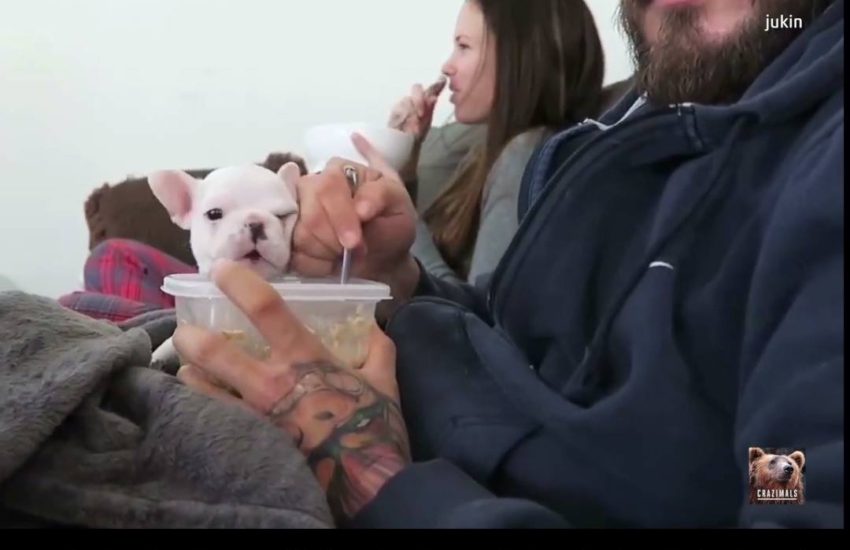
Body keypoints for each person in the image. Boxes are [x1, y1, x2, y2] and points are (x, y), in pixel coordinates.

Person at [173, 0, 843, 529]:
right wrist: (395, 273)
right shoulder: (634, 126)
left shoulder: (817, 162)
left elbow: (791, 493)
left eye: (465, 47)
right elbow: (517, 333)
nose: (447, 67)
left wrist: (374, 478)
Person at [392, 0, 605, 284]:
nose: (447, 66)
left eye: (463, 46)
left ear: (518, 57)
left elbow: (478, 318)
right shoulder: (488, 151)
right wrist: (406, 159)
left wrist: (399, 216)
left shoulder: (526, 157)